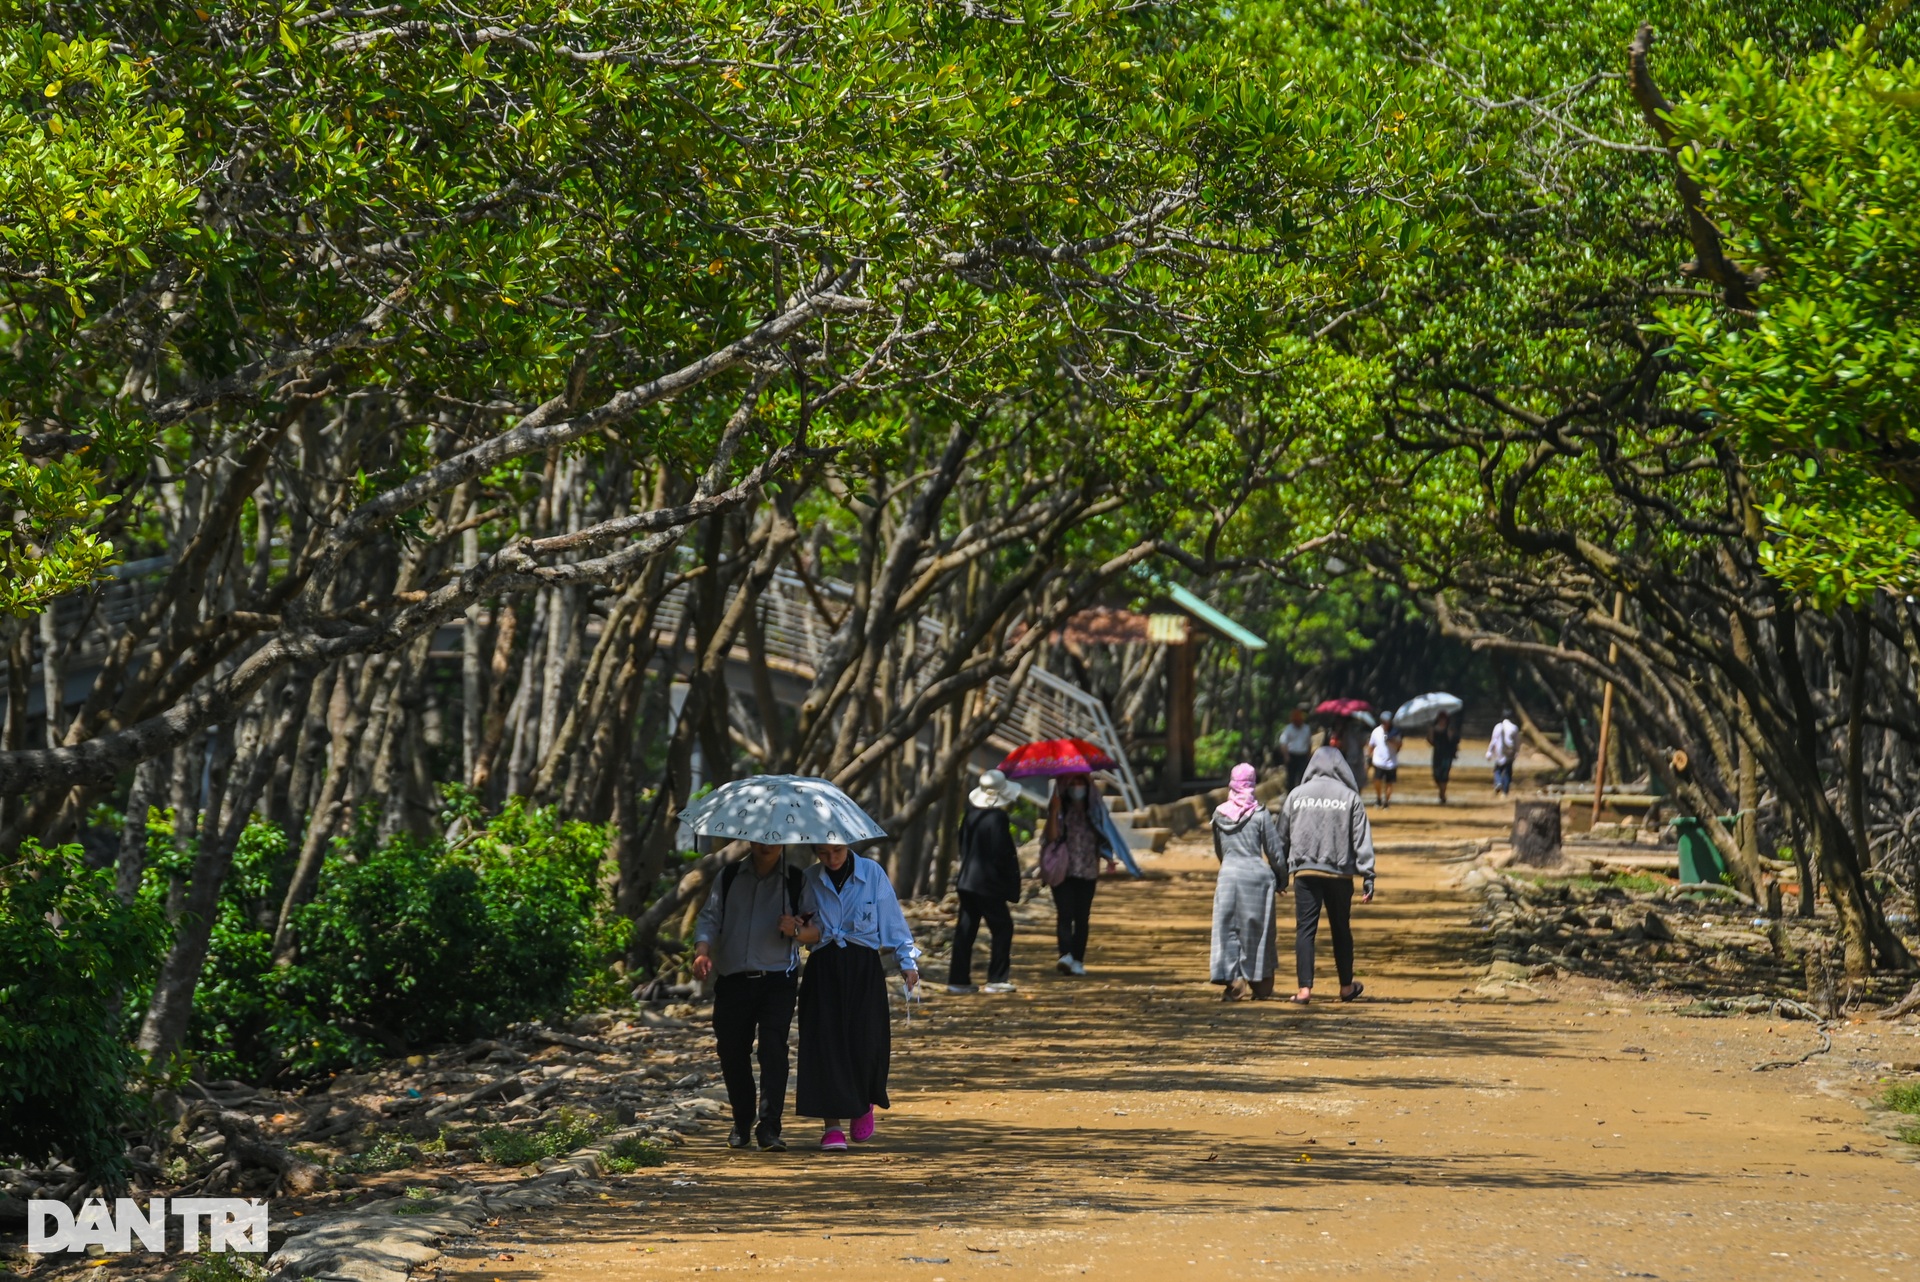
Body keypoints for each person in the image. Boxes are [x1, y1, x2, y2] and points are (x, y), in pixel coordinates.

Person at [789, 842, 921, 1152]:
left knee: (866, 1040)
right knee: (825, 1044)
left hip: (863, 968)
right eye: (823, 853)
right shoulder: (809, 878)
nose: (830, 859)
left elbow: (892, 920)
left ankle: (863, 1103)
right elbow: (804, 923)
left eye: (836, 851)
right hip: (823, 968)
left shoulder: (872, 873)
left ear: (847, 845)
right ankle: (831, 1125)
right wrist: (798, 926)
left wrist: (907, 963)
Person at [692, 840, 804, 1152]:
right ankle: (742, 1119)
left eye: (775, 838)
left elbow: (814, 925)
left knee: (772, 1049)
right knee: (731, 1050)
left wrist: (796, 927)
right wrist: (702, 952)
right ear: (750, 838)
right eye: (761, 837)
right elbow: (710, 917)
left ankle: (769, 1126)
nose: (767, 844)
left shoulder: (796, 879)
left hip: (778, 979)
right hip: (733, 980)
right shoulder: (728, 876)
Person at [1276, 746, 1376, 1004]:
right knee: (1341, 929)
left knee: (1305, 931)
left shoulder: (1296, 796)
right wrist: (1368, 875)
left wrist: (1280, 874)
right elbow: (1361, 839)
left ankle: (1304, 990)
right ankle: (1345, 986)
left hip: (1305, 872)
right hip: (1339, 875)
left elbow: (1281, 837)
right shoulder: (1350, 798)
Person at [1209, 763, 1288, 1001]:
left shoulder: (1218, 814)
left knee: (1227, 930)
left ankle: (1233, 980)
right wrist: (1281, 879)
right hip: (1257, 879)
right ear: (1252, 784)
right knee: (1257, 931)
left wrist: (1231, 867)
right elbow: (1275, 853)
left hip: (1229, 876)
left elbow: (1219, 851)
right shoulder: (1260, 814)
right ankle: (1258, 980)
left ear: (1231, 783)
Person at [1038, 772, 1120, 976]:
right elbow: (1050, 837)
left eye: (1080, 782)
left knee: (1082, 917)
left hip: (1088, 869)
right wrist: (1053, 811)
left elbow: (1105, 834)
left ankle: (1078, 959)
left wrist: (1109, 856)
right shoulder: (1059, 809)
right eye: (1072, 782)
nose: (1076, 786)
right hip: (1062, 870)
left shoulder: (1094, 810)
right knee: (1065, 914)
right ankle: (1065, 955)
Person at [948, 769, 1023, 995]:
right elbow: (1002, 853)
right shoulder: (998, 818)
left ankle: (957, 980)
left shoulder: (970, 815)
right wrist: (1010, 884)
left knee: (966, 930)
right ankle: (997, 979)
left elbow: (962, 844)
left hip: (967, 882)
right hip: (988, 884)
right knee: (1003, 928)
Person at [1366, 713, 1403, 808]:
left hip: (1391, 762)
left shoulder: (1395, 732)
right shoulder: (1376, 731)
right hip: (1378, 761)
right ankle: (1378, 798)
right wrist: (1368, 756)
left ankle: (1386, 801)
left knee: (1389, 783)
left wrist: (1392, 740)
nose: (1386, 724)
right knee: (1377, 781)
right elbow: (1371, 745)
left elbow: (1399, 746)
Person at [1428, 710, 1462, 805]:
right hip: (1437, 754)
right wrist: (1431, 731)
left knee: (1445, 774)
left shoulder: (1449, 728)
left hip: (1447, 754)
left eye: (1444, 719)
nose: (1443, 721)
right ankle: (1441, 790)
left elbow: (1453, 740)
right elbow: (1430, 741)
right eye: (1441, 719)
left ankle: (1442, 794)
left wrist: (1449, 732)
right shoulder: (1434, 729)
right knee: (1436, 775)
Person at [1279, 704, 1315, 791]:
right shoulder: (1288, 729)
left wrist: (1309, 755)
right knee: (1291, 778)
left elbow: (1309, 742)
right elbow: (1283, 743)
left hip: (1302, 756)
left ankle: (1302, 793)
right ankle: (1290, 794)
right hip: (1292, 756)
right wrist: (1286, 755)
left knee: (1303, 777)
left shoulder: (1306, 728)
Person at [1488, 710, 1520, 796]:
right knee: (1507, 771)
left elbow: (1493, 740)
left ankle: (1498, 782)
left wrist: (1489, 752)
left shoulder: (1498, 727)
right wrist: (1517, 751)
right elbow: (1517, 742)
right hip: (1510, 752)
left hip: (1499, 752)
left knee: (1497, 770)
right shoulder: (1514, 728)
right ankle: (1505, 792)